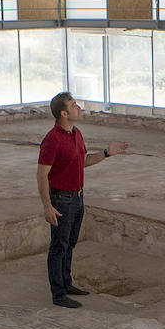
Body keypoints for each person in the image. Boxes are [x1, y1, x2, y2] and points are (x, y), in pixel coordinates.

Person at [36, 92, 129, 309]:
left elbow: (83, 161)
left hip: (77, 197)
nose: (78, 108)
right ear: (63, 113)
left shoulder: (76, 133)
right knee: (58, 246)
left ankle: (66, 283)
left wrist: (107, 153)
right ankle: (58, 293)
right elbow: (42, 174)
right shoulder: (52, 140)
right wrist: (47, 206)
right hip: (61, 199)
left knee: (70, 243)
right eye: (74, 105)